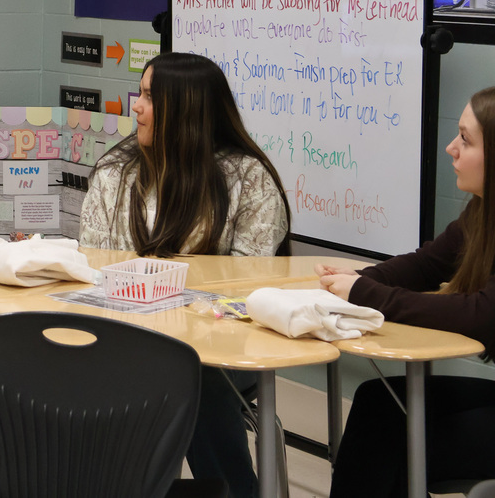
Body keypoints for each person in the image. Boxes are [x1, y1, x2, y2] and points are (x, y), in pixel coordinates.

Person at [79, 51, 291, 498]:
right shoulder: (115, 174)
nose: (136, 107)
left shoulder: (248, 179)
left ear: (185, 111)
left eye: (149, 97)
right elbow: (94, 268)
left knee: (193, 375)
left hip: (220, 347)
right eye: (139, 93)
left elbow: (247, 288)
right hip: (124, 337)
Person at [318, 86, 495, 497]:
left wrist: (365, 292)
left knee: (391, 449)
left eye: (465, 140)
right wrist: (358, 278)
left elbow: (481, 315)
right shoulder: (482, 211)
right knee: (376, 403)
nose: (451, 148)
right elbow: (427, 264)